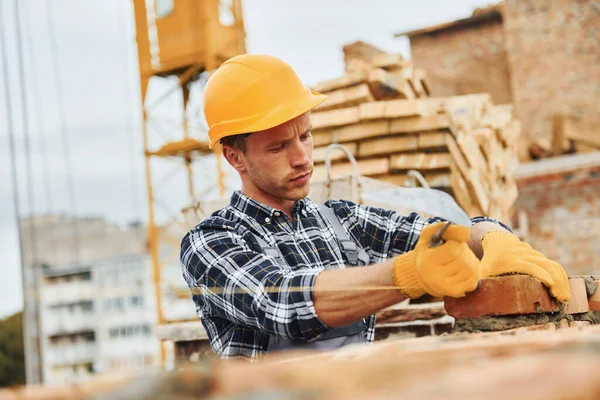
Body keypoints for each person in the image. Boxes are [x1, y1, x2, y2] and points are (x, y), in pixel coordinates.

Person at [180, 54, 571, 361]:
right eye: (279, 146)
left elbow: (440, 231)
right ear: (235, 158)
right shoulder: (209, 243)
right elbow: (283, 302)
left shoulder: (341, 222)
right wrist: (405, 275)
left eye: (306, 135)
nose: (302, 158)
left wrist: (492, 238)